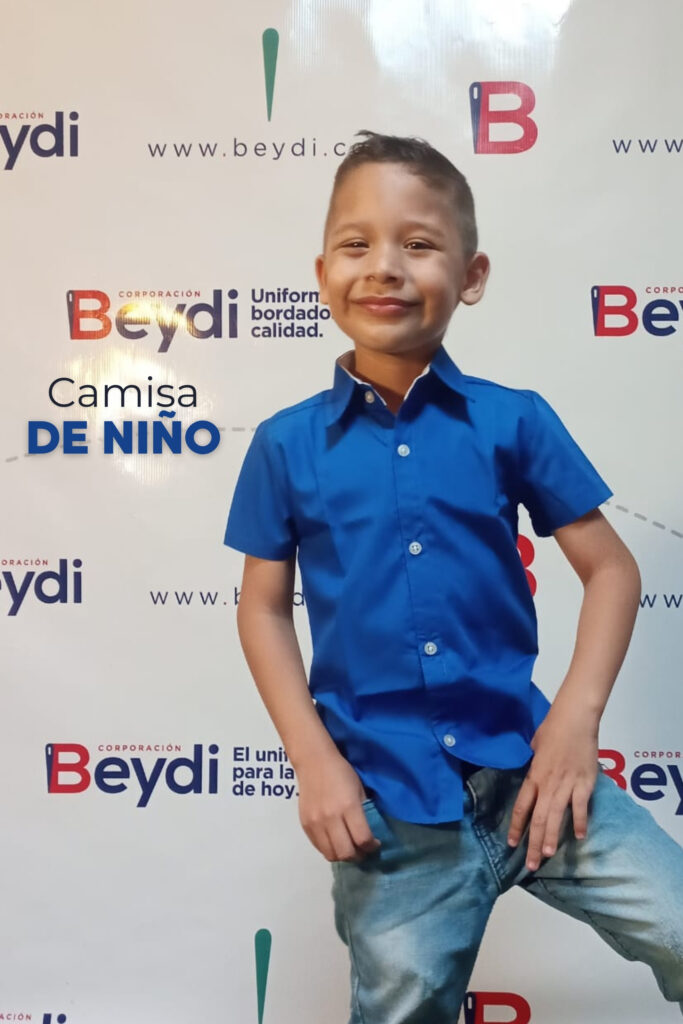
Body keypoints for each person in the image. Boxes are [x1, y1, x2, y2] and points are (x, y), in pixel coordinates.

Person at [223, 130, 683, 1023]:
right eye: (356, 244)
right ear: (321, 273)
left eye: (419, 243)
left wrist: (574, 723)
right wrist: (314, 761)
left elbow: (611, 571)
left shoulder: (513, 421)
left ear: (470, 276)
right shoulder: (284, 444)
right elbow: (263, 610)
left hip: (535, 775)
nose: (384, 267)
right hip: (389, 807)